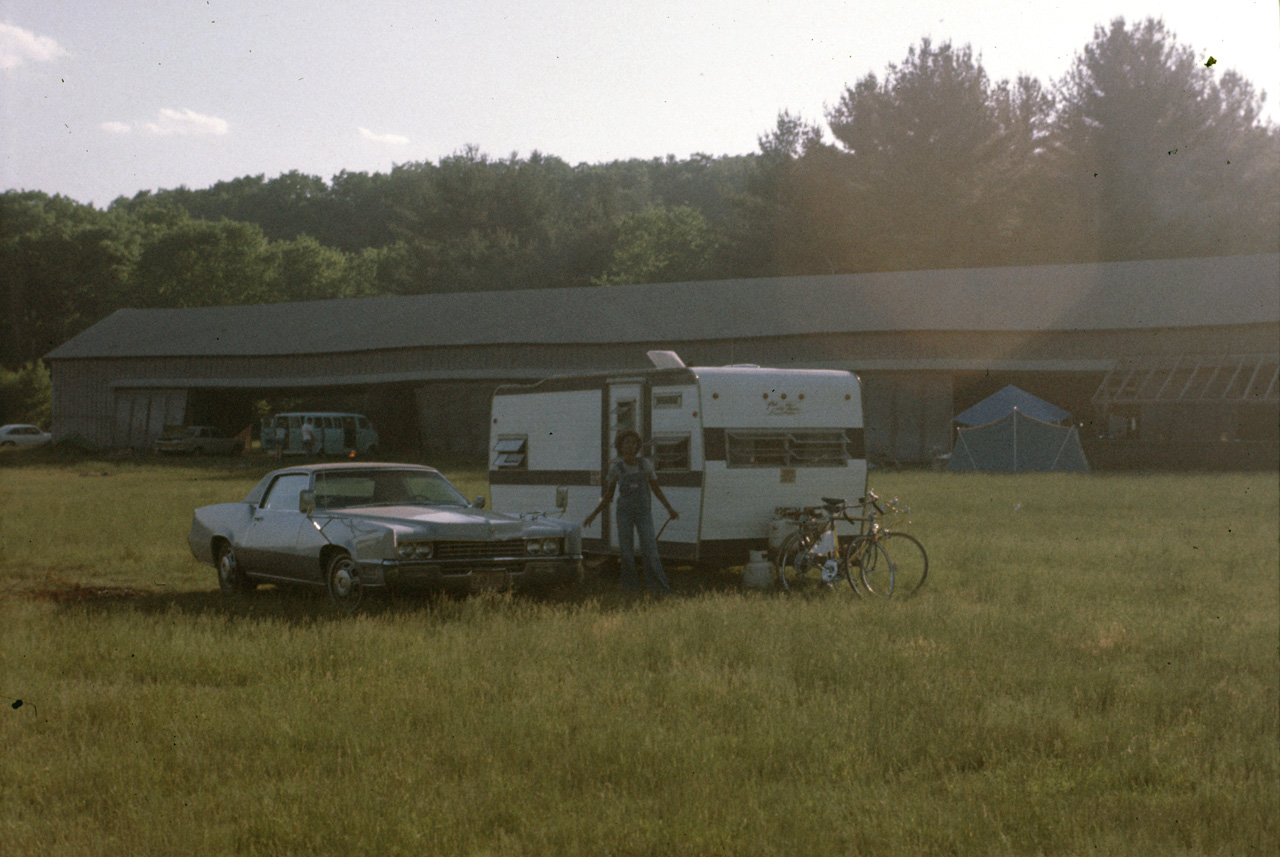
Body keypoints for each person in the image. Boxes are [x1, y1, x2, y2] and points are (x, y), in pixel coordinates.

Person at [584, 429, 677, 594]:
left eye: (633, 443)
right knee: (626, 553)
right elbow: (608, 496)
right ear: (620, 446)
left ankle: (660, 590)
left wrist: (669, 508)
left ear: (637, 446)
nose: (630, 446)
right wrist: (593, 514)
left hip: (643, 513)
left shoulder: (645, 465)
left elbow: (656, 490)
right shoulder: (617, 468)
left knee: (650, 550)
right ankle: (630, 590)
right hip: (624, 513)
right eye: (626, 442)